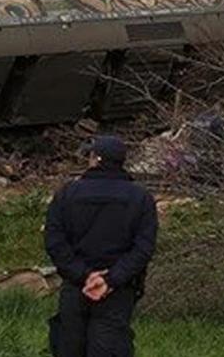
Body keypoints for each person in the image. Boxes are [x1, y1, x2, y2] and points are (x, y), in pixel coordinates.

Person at [45, 135, 158, 357]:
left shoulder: (67, 194)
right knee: (110, 346)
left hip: (76, 286)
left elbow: (55, 241)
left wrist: (83, 275)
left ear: (95, 159)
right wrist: (110, 279)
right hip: (119, 289)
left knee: (70, 346)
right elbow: (143, 248)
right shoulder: (141, 198)